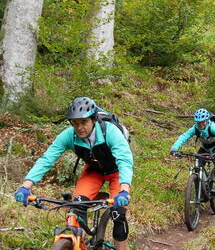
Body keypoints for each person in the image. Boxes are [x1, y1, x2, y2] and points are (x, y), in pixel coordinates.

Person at [14, 97, 133, 250]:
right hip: (93, 172)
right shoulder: (69, 135)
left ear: (94, 119)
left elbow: (124, 160)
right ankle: (79, 243)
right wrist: (26, 186)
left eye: (84, 122)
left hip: (117, 172)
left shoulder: (110, 132)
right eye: (75, 123)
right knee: (76, 207)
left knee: (118, 214)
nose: (79, 127)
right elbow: (47, 159)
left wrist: (124, 190)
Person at [170, 108, 215, 195]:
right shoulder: (195, 128)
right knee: (198, 164)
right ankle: (201, 191)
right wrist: (174, 149)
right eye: (199, 122)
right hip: (204, 148)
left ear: (207, 120)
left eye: (203, 122)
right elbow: (184, 137)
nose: (201, 124)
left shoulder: (212, 127)